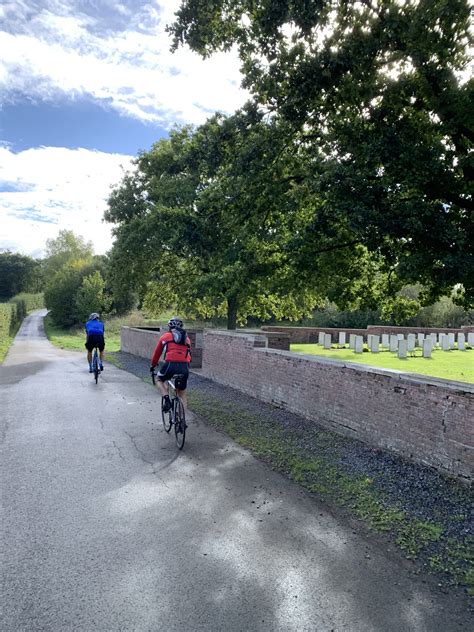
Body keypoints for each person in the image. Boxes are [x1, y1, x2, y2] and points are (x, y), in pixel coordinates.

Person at [150, 317, 192, 411]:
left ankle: (166, 399)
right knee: (182, 392)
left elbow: (157, 354)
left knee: (159, 379)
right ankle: (182, 421)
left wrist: (153, 365)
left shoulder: (165, 337)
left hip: (170, 365)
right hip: (184, 366)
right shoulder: (187, 339)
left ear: (169, 327)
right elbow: (189, 355)